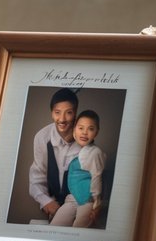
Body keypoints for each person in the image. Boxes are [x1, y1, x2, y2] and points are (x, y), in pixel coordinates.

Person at [28, 87, 83, 221]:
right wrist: (46, 201)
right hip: (53, 207)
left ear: (75, 113)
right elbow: (37, 176)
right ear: (52, 113)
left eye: (68, 113)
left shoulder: (85, 137)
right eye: (57, 112)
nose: (62, 119)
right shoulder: (42, 137)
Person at [52, 110, 106, 227]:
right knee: (55, 226)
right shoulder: (72, 151)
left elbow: (97, 177)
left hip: (88, 200)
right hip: (72, 198)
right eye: (81, 128)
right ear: (74, 130)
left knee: (79, 229)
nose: (85, 133)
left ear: (96, 132)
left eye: (90, 129)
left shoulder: (95, 152)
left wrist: (97, 204)